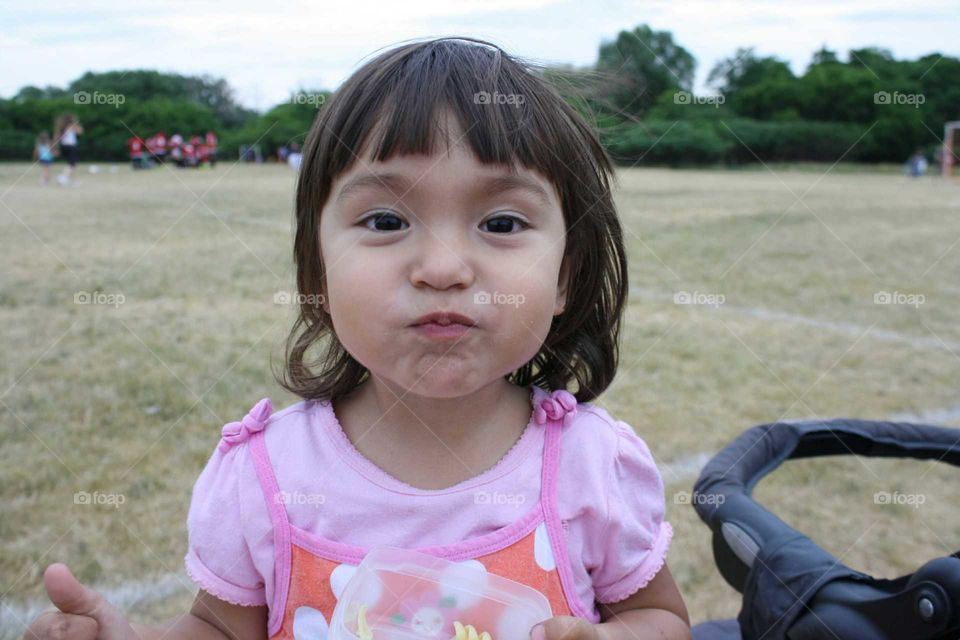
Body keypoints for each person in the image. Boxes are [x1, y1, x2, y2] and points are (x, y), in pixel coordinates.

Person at [24, 37, 690, 640]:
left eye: (504, 223)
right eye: (383, 218)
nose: (443, 268)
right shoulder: (266, 479)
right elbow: (220, 631)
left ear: (567, 276)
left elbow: (659, 618)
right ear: (318, 269)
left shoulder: (594, 468)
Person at [54, 113, 83, 186]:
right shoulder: (71, 125)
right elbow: (80, 131)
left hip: (64, 146)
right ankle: (63, 178)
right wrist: (77, 123)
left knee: (71, 164)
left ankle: (66, 179)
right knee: (72, 164)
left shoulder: (61, 127)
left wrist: (55, 148)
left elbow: (56, 137)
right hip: (70, 147)